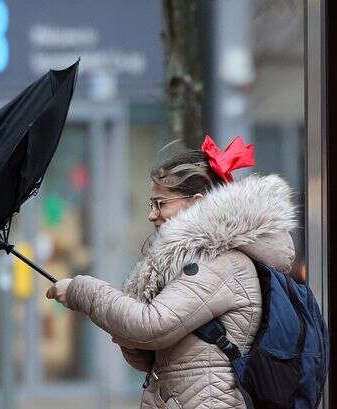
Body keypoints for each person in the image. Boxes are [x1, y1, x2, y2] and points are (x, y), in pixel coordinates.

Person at [46, 135, 298, 408]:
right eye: (151, 204)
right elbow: (144, 356)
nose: (151, 215)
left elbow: (150, 326)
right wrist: (128, 321)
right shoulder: (192, 263)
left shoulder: (220, 264)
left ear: (195, 202)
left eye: (161, 203)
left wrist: (80, 290)